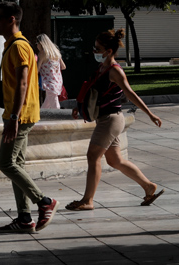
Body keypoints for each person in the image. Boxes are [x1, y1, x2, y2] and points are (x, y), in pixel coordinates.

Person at [66, 29, 164, 211]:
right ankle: (148, 186)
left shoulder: (115, 71)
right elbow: (94, 93)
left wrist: (150, 114)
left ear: (108, 51)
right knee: (115, 160)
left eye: (97, 48)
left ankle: (88, 200)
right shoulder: (102, 68)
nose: (94, 51)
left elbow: (130, 93)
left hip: (110, 120)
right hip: (108, 119)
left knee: (93, 156)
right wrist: (78, 107)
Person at [0, 2, 59, 233]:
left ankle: (44, 202)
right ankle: (23, 219)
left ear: (11, 19)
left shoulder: (19, 47)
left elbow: (22, 83)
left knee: (6, 163)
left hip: (20, 115)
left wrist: (13, 117)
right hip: (19, 113)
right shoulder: (13, 45)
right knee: (16, 165)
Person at [36, 34, 66, 109]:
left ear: (41, 43)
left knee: (55, 105)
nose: (37, 46)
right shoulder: (56, 52)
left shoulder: (42, 53)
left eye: (37, 44)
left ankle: (59, 119)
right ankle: (40, 118)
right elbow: (63, 67)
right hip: (57, 81)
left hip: (49, 82)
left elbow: (37, 69)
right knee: (47, 103)